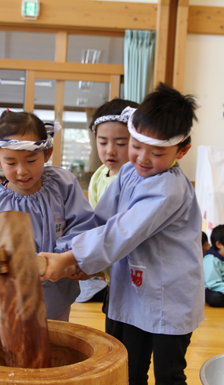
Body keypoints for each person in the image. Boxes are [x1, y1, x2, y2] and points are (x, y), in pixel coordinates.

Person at [40, 83, 204, 385]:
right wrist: (70, 253)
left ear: (181, 150)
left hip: (168, 299)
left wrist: (74, 258)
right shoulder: (129, 172)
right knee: (126, 372)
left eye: (156, 153)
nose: (142, 158)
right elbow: (102, 219)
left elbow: (122, 232)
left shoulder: (167, 188)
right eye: (137, 146)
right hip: (131, 290)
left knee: (168, 380)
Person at [0, 110, 94, 321]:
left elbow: (83, 224)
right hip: (19, 296)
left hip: (60, 286)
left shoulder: (63, 184)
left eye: (30, 160)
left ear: (46, 153)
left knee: (59, 339)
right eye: (11, 163)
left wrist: (67, 259)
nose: (21, 171)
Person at [77, 99, 138, 324]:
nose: (110, 150)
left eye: (121, 143)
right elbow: (96, 223)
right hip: (112, 273)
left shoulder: (139, 178)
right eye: (103, 142)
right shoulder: (98, 176)